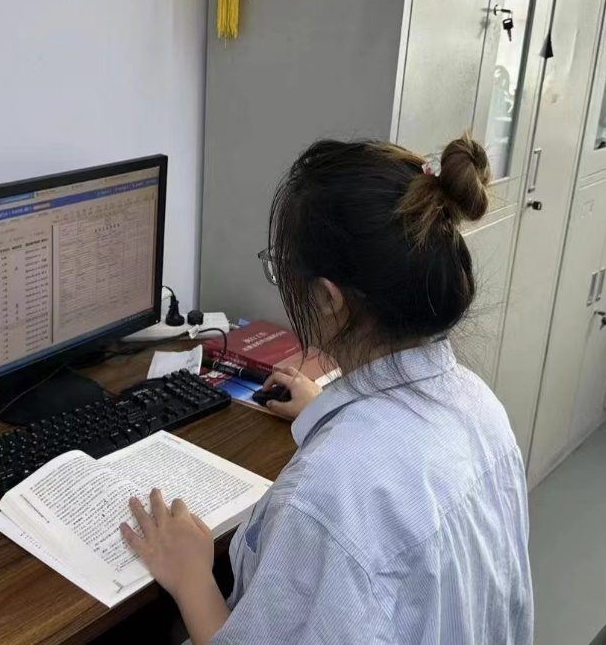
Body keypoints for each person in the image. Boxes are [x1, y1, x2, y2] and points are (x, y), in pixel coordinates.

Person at [120, 135, 533, 644]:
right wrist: (334, 415)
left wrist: (190, 577)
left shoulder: (327, 495)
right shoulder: (480, 406)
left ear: (328, 297)